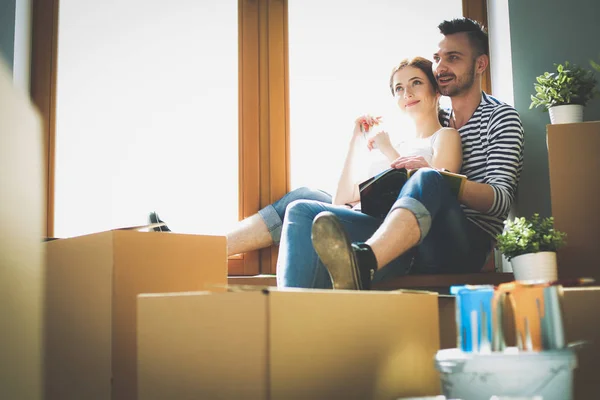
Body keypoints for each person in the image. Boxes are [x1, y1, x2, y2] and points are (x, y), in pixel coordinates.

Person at [277, 17, 525, 290]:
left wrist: (437, 177)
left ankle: (363, 262)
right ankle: (289, 311)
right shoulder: (438, 120)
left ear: (480, 64)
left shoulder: (500, 117)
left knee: (430, 178)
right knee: (301, 208)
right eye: (437, 58)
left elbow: (501, 201)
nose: (441, 67)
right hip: (410, 235)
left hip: (463, 242)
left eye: (453, 58)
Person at [148, 58, 458, 257]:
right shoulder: (398, 141)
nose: (406, 94)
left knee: (304, 202)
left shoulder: (444, 136)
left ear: (435, 91)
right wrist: (355, 141)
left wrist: (389, 151)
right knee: (304, 195)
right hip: (363, 216)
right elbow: (341, 200)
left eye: (415, 83)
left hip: (391, 236)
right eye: (398, 88)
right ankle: (197, 249)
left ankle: (193, 252)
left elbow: (436, 188)